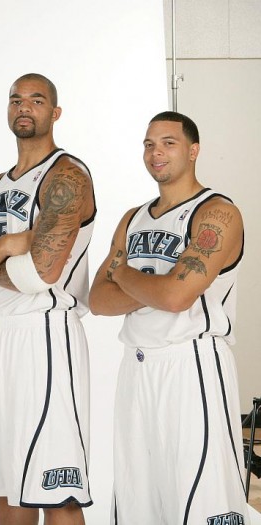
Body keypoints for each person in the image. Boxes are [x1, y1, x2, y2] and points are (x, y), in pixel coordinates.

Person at [90, 111, 247, 524]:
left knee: (204, 498)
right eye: (149, 144)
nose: (156, 152)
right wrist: (155, 287)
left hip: (192, 365)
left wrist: (125, 275)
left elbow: (176, 297)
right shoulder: (133, 217)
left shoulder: (218, 213)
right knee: (139, 501)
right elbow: (98, 299)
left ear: (193, 151)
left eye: (168, 143)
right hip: (137, 367)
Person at [0, 73, 95, 525]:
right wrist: (6, 244)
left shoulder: (67, 176)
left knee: (57, 490)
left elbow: (41, 273)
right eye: (16, 100)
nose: (24, 107)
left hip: (43, 337)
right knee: (9, 485)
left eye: (36, 100)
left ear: (55, 112)